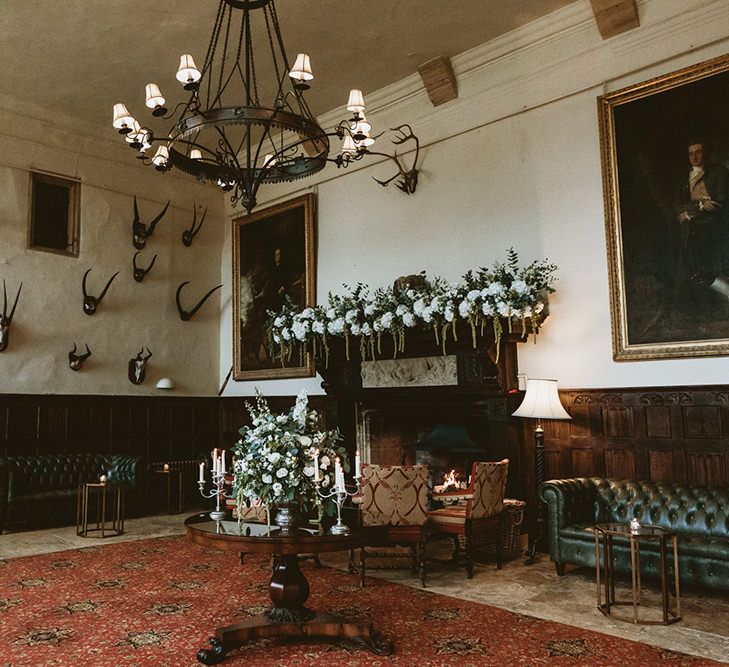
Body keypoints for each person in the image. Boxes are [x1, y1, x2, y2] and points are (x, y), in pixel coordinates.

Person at [673, 139, 729, 304]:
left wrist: (688, 213)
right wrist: (699, 204)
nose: (695, 157)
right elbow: (676, 206)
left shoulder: (718, 172)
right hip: (692, 230)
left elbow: (720, 201)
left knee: (712, 268)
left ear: (705, 152)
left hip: (714, 227)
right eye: (691, 153)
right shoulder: (684, 177)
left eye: (698, 152)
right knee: (694, 268)